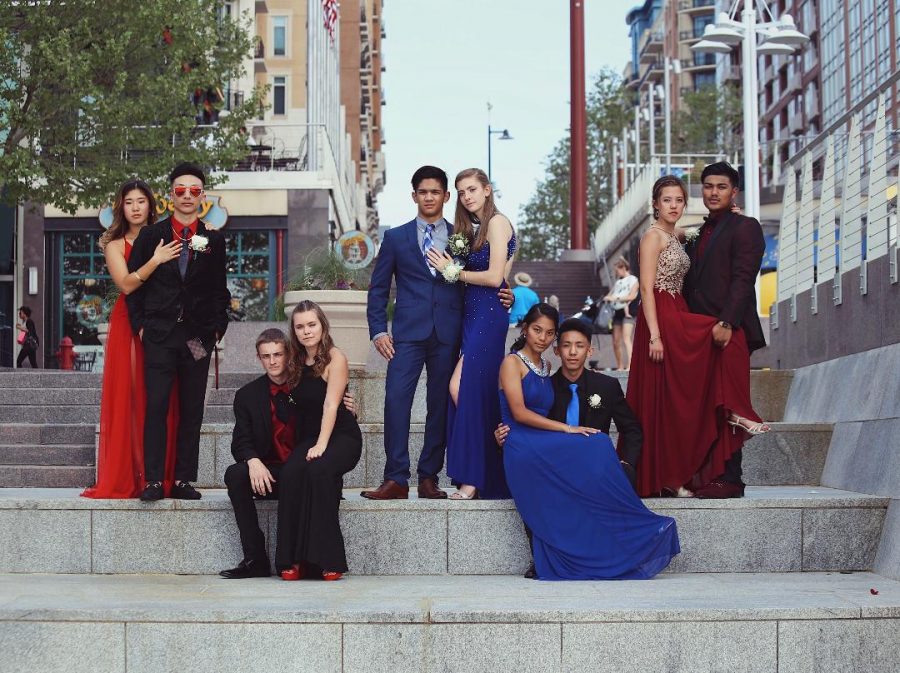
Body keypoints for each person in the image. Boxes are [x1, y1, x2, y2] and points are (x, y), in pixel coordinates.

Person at [499, 303, 680, 580]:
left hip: (576, 459)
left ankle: (634, 539)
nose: (543, 338)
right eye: (538, 331)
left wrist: (626, 464)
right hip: (539, 448)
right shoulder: (532, 372)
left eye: (549, 333)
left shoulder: (555, 371)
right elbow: (519, 410)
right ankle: (549, 556)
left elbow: (631, 429)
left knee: (599, 448)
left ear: (589, 350)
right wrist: (501, 429)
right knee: (597, 443)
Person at [362, 166, 511, 501]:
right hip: (406, 335)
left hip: (450, 332)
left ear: (446, 196)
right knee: (396, 400)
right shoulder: (396, 237)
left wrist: (507, 291)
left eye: (436, 192)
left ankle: (429, 477)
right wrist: (377, 330)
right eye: (422, 192)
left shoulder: (466, 236)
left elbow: (490, 273)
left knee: (439, 406)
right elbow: (379, 289)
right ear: (414, 195)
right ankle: (396, 478)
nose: (429, 197)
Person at [626, 173, 768, 500]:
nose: (674, 205)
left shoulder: (677, 235)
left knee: (677, 397)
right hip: (661, 314)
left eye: (679, 200)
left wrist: (732, 216)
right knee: (724, 335)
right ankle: (734, 410)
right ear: (655, 204)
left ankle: (675, 470)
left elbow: (701, 237)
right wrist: (655, 337)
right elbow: (646, 288)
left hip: (678, 309)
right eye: (667, 200)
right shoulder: (652, 237)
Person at [126, 163, 231, 502]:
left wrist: (215, 330)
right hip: (159, 336)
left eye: (195, 191)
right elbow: (134, 287)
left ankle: (184, 479)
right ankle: (154, 480)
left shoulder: (212, 239)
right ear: (171, 195)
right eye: (181, 190)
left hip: (197, 339)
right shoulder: (151, 236)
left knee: (191, 408)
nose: (187, 196)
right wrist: (140, 327)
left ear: (203, 196)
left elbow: (219, 290)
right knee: (156, 406)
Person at [219, 328, 359, 579]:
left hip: (305, 470)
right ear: (258, 358)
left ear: (289, 355)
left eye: (278, 354)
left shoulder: (307, 387)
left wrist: (348, 407)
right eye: (266, 356)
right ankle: (255, 559)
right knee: (235, 475)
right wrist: (253, 461)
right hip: (270, 474)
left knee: (313, 470)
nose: (272, 361)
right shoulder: (247, 396)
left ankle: (313, 559)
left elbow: (331, 408)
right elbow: (240, 441)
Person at [82, 180, 182, 499]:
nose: (136, 207)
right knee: (134, 395)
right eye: (129, 202)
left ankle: (160, 475)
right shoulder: (114, 243)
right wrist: (155, 260)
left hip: (164, 324)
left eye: (142, 201)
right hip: (130, 324)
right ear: (121, 207)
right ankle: (134, 475)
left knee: (160, 399)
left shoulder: (166, 235)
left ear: (151, 205)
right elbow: (125, 284)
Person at [425, 168, 516, 500]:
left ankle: (473, 478)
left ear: (488, 190)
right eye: (462, 192)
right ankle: (485, 468)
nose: (467, 196)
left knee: (458, 386)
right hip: (472, 315)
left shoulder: (498, 223)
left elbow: (495, 279)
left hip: (489, 316)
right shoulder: (474, 229)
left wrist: (453, 271)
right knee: (472, 392)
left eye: (473, 189)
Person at [684, 162, 770, 498]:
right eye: (708, 186)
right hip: (697, 333)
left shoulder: (746, 227)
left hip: (728, 331)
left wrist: (726, 322)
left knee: (729, 404)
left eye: (721, 187)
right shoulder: (699, 232)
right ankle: (707, 474)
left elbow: (743, 277)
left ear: (734, 191)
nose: (713, 192)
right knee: (706, 406)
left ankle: (731, 478)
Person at [276, 301, 362, 582]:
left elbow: (330, 406)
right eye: (300, 326)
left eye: (311, 324)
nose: (306, 331)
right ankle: (294, 560)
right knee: (290, 473)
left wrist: (322, 445)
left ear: (323, 325)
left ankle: (329, 560)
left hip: (341, 436)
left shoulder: (335, 358)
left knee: (318, 469)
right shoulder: (294, 360)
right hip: (312, 437)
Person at [603, 257, 639, 370]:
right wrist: (609, 298)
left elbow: (632, 296)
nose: (616, 272)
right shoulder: (618, 282)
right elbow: (609, 294)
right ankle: (620, 365)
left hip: (629, 311)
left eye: (617, 270)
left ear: (623, 268)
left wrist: (615, 298)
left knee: (626, 338)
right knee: (615, 341)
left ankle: (630, 365)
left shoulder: (634, 280)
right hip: (617, 311)